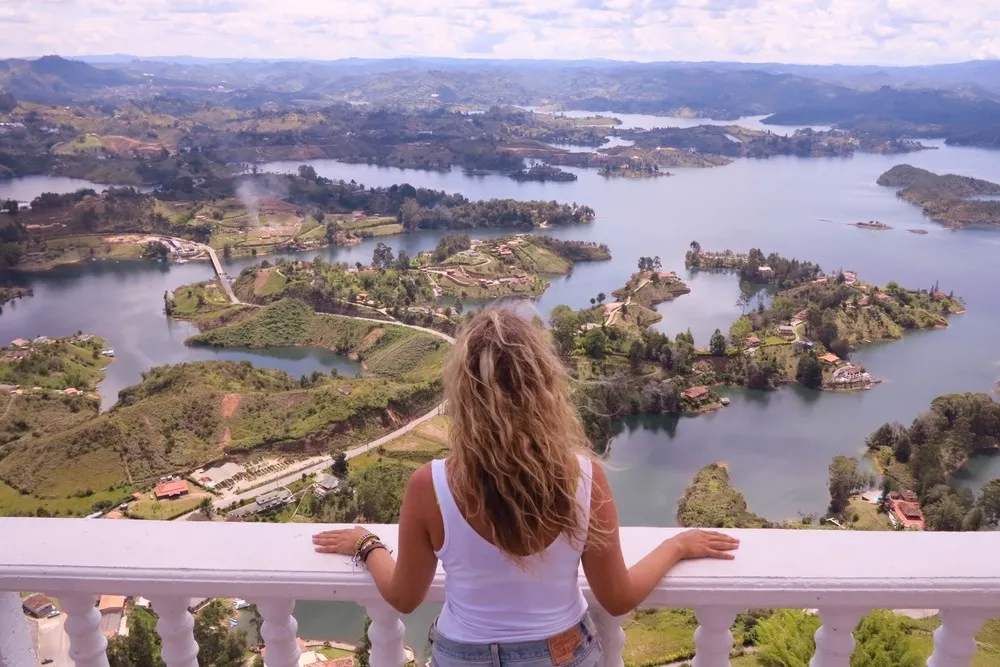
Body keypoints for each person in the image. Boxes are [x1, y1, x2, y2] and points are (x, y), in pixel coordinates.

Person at [313, 309, 739, 667]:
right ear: (544, 388)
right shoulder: (586, 479)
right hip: (562, 652)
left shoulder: (432, 485)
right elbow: (617, 598)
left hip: (463, 655)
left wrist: (367, 544)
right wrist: (678, 546)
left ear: (463, 395)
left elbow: (405, 597)